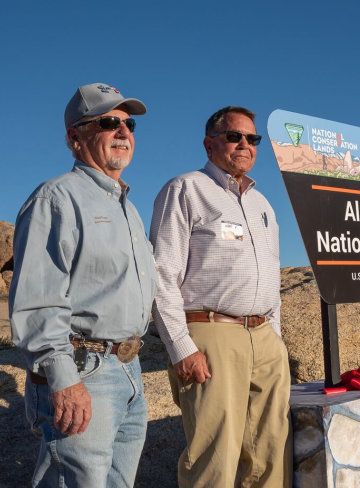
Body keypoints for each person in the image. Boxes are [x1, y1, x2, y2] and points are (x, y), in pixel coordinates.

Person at [10, 83, 158, 487]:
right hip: (83, 369)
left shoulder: (128, 208)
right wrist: (63, 379)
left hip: (129, 367)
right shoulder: (55, 198)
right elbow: (38, 300)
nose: (124, 132)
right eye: (109, 122)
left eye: (129, 124)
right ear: (75, 138)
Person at [150, 106, 290, 488]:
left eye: (252, 138)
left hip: (264, 336)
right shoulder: (186, 189)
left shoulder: (263, 205)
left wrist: (274, 335)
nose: (244, 144)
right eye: (234, 136)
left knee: (270, 452)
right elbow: (161, 274)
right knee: (215, 458)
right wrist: (181, 346)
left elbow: (270, 273)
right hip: (212, 335)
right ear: (210, 143)